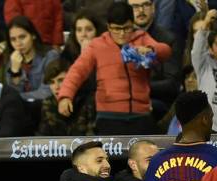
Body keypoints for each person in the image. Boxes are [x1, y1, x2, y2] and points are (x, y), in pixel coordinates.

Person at [58, 2, 171, 135]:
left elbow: (166, 51)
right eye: (117, 29)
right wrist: (65, 96)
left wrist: (151, 50)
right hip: (108, 116)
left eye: (127, 28)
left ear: (133, 24)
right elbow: (77, 71)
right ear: (108, 27)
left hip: (141, 113)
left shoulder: (142, 38)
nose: (122, 33)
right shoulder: (97, 45)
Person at [128, 0, 181, 118]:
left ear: (153, 7)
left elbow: (172, 84)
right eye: (135, 6)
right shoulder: (121, 38)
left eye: (145, 5)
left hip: (157, 103)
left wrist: (139, 89)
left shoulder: (168, 39)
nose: (141, 10)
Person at [5, 15, 60, 101]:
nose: (18, 43)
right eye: (13, 39)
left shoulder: (50, 56)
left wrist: (16, 98)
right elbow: (12, 93)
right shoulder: (12, 61)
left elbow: (47, 92)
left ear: (33, 35)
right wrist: (15, 72)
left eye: (22, 37)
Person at [37, 58, 96, 136]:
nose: (56, 87)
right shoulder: (48, 103)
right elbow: (43, 139)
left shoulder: (88, 101)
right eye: (52, 82)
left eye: (61, 80)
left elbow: (93, 138)